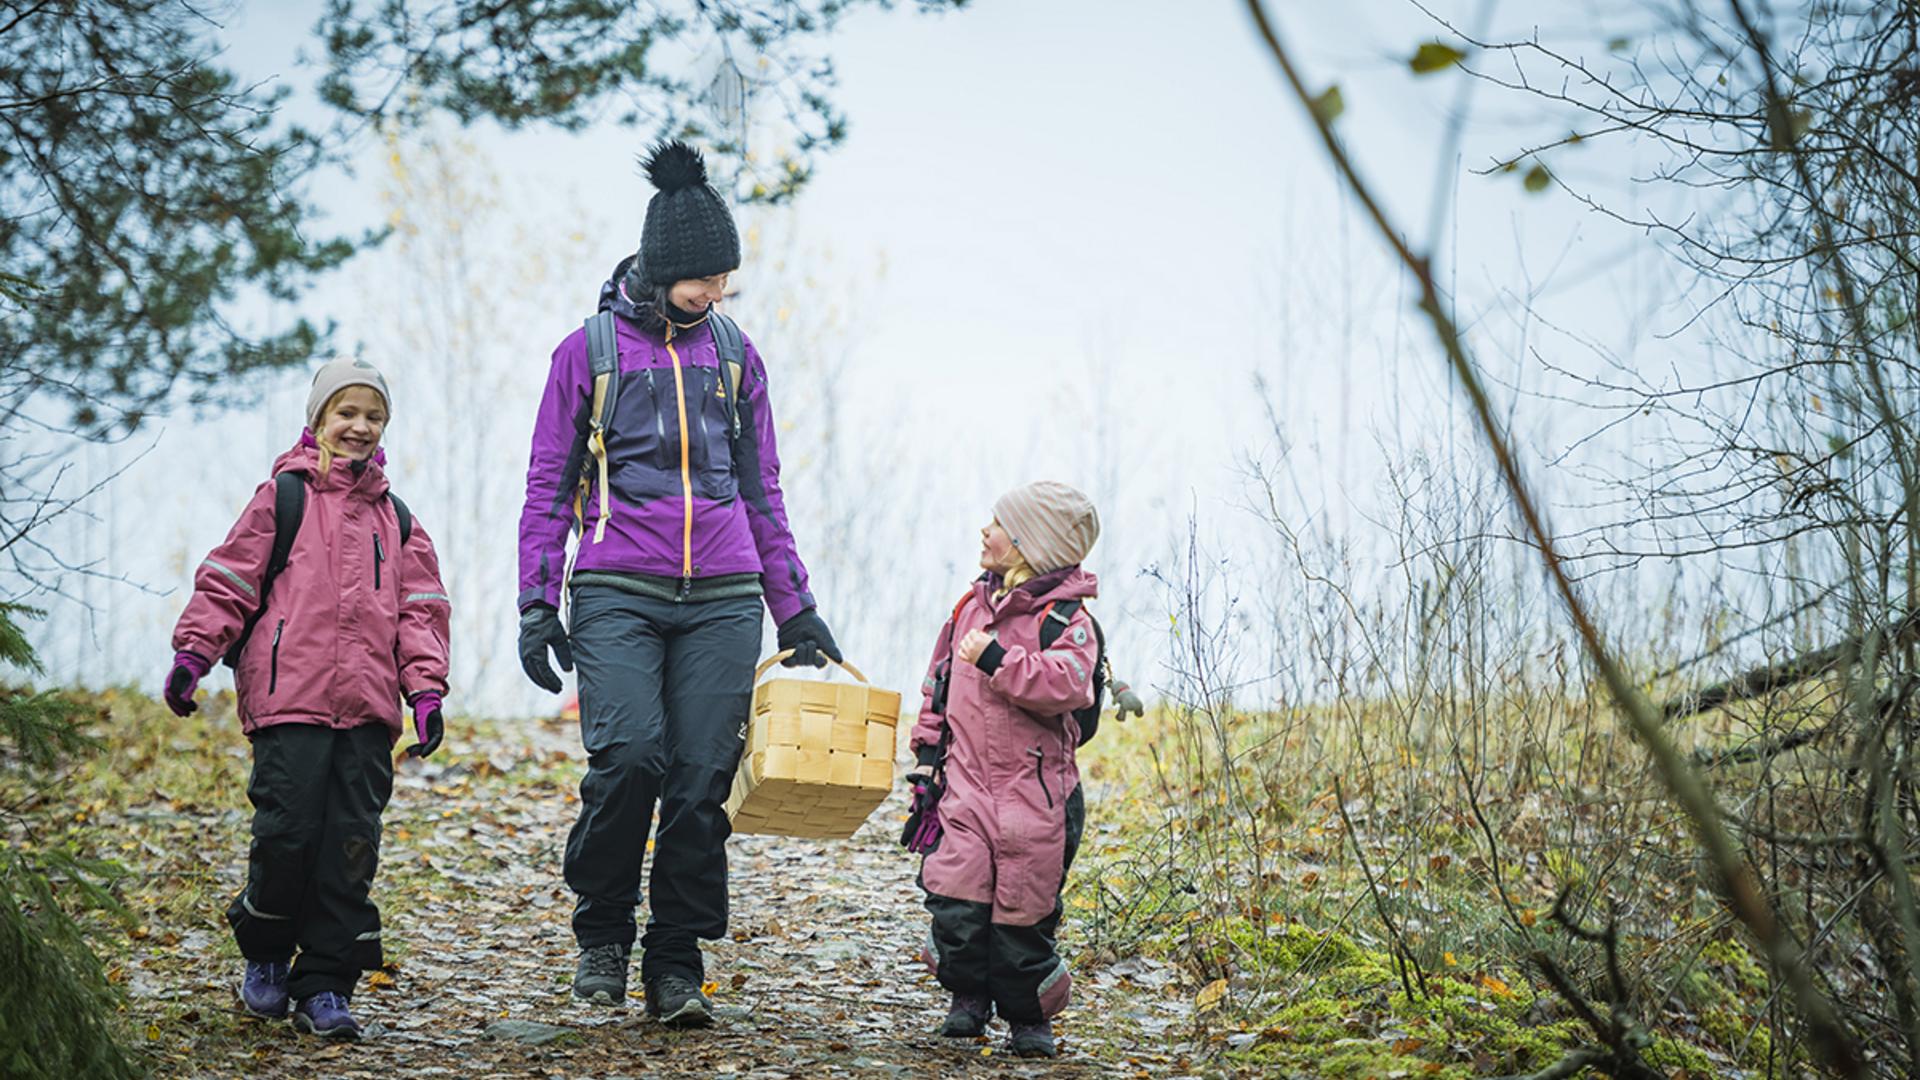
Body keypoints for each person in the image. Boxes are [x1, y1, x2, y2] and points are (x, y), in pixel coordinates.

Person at [516, 139, 840, 1028]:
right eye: (703, 281)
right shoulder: (585, 353)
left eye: (726, 281)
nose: (716, 296)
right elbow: (550, 484)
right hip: (619, 584)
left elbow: (763, 489)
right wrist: (538, 602)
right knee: (629, 761)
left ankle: (676, 963)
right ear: (662, 271)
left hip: (726, 595)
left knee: (700, 780)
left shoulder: (736, 356)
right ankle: (604, 933)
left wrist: (795, 606)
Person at [163, 357, 451, 1039]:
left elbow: (423, 612)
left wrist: (426, 693)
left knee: (350, 849)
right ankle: (265, 953)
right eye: (345, 413)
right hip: (289, 700)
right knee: (287, 835)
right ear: (318, 419)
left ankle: (324, 984)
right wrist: (194, 653)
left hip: (368, 711)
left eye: (372, 416)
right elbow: (229, 579)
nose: (359, 426)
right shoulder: (281, 499)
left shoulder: (399, 520)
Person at [907, 480, 1103, 1058]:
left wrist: (997, 660)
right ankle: (967, 998)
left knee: (1023, 914)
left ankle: (1027, 1018)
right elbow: (937, 684)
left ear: (1028, 544)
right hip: (964, 787)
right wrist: (925, 759)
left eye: (997, 524)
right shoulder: (969, 607)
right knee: (957, 901)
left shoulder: (1067, 620)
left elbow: (1068, 684)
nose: (984, 532)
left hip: (1036, 795)